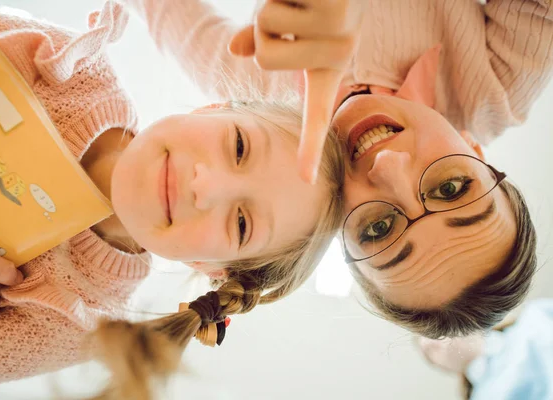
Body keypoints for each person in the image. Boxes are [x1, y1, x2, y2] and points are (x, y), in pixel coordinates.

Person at [0, 1, 344, 393]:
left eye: (242, 222)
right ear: (211, 109)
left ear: (208, 266)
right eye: (239, 147)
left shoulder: (77, 320)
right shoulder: (68, 66)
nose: (205, 187)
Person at [121, 0, 546, 338]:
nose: (387, 165)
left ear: (337, 234)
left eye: (377, 229)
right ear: (475, 149)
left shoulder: (250, 111)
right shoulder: (499, 83)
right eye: (452, 188)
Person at [418, 299, 553, 400]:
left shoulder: (535, 314)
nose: (432, 342)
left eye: (433, 334)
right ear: (444, 368)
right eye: (429, 352)